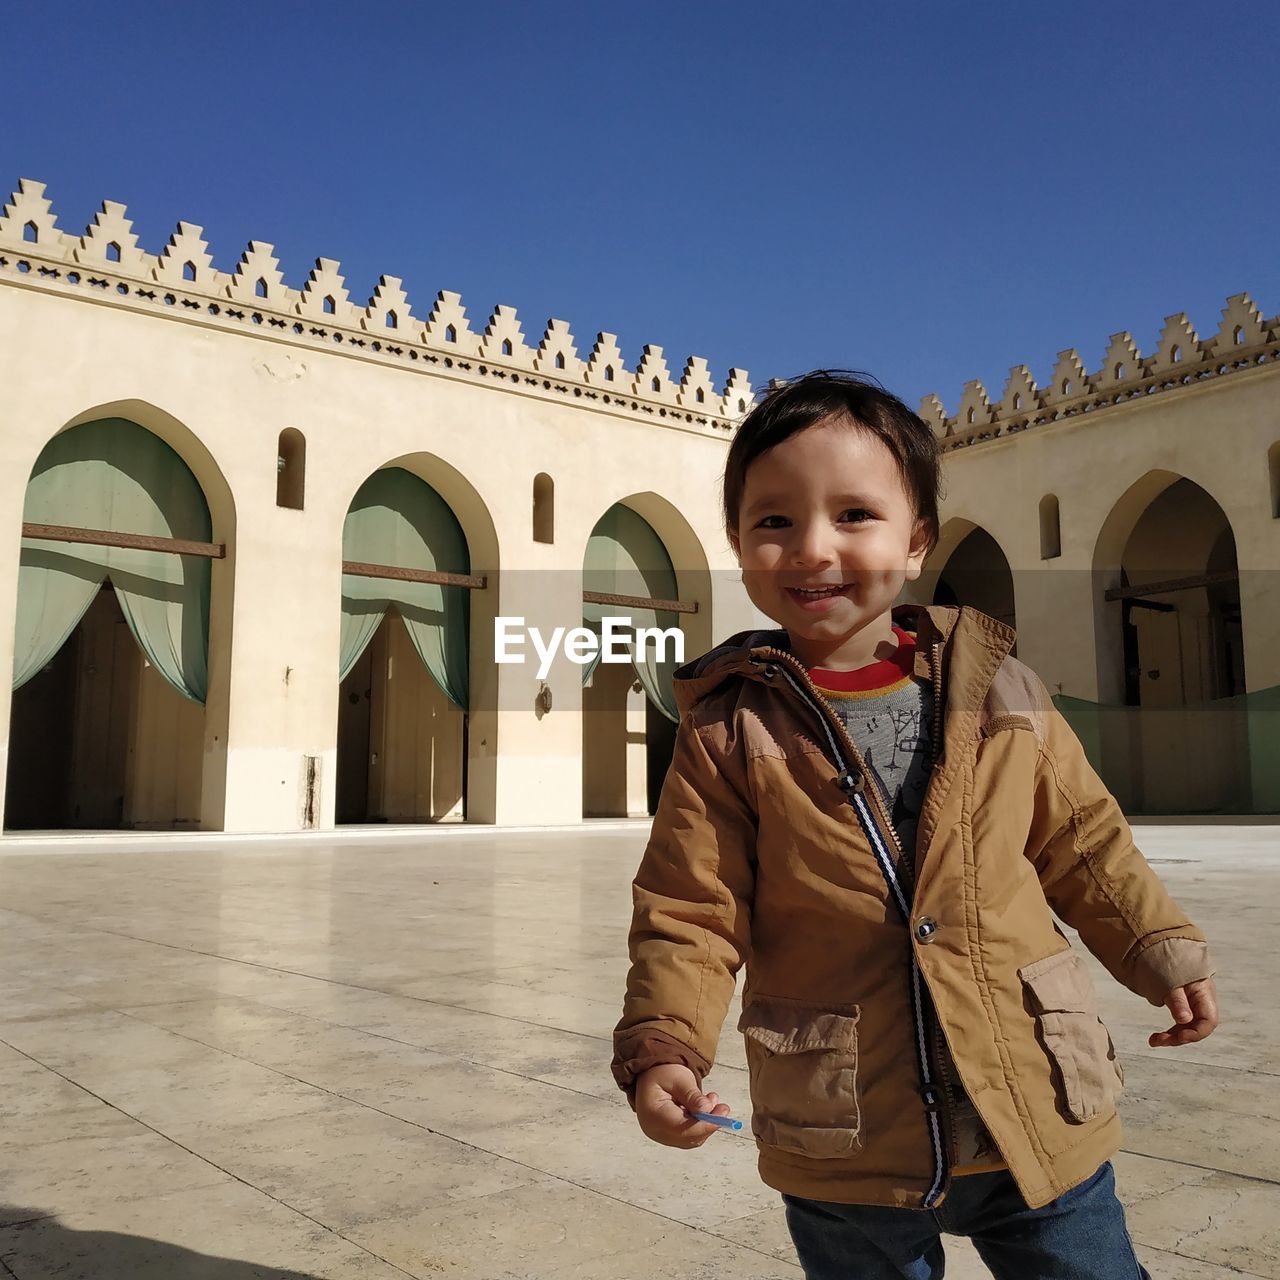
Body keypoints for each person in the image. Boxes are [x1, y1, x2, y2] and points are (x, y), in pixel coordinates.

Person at [610, 370, 1219, 1280]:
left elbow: (1083, 842)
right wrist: (666, 1046)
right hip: (848, 1130)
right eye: (774, 521)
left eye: (854, 514)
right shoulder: (727, 728)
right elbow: (691, 910)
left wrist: (1158, 946)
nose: (813, 547)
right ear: (737, 542)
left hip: (1031, 1101)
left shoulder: (1003, 691)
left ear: (917, 537)